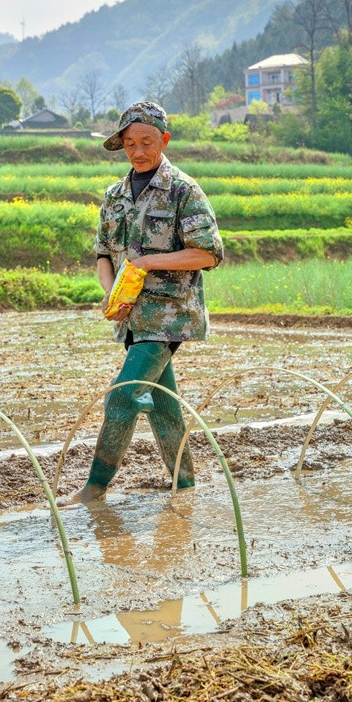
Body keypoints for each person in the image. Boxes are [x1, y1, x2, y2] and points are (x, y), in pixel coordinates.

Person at [65, 102, 223, 505]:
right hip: (131, 317)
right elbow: (103, 254)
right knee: (162, 405)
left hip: (168, 316)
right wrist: (110, 290)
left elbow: (208, 253)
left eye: (146, 142)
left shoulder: (183, 190)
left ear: (164, 140)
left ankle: (95, 487)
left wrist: (149, 261)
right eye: (130, 143)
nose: (138, 150)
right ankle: (184, 484)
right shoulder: (114, 196)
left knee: (124, 393)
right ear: (120, 145)